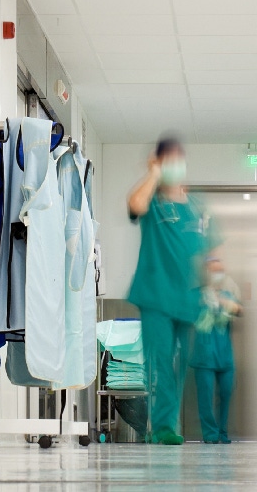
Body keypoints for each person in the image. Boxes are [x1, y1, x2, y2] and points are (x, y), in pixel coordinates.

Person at [127, 137, 220, 445]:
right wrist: (153, 175)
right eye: (169, 160)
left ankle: (165, 424)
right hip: (156, 296)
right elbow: (134, 205)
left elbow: (208, 253)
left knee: (180, 367)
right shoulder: (152, 200)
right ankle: (163, 426)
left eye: (179, 159)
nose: (176, 165)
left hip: (189, 300)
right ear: (158, 163)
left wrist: (211, 291)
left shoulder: (196, 206)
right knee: (161, 361)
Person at [190, 258, 242, 444]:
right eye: (213, 270)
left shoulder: (228, 294)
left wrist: (223, 301)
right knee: (206, 398)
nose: (217, 274)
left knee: (226, 393)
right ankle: (210, 435)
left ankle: (223, 432)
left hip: (225, 357)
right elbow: (187, 312)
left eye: (220, 270)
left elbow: (238, 309)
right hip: (204, 356)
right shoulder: (196, 295)